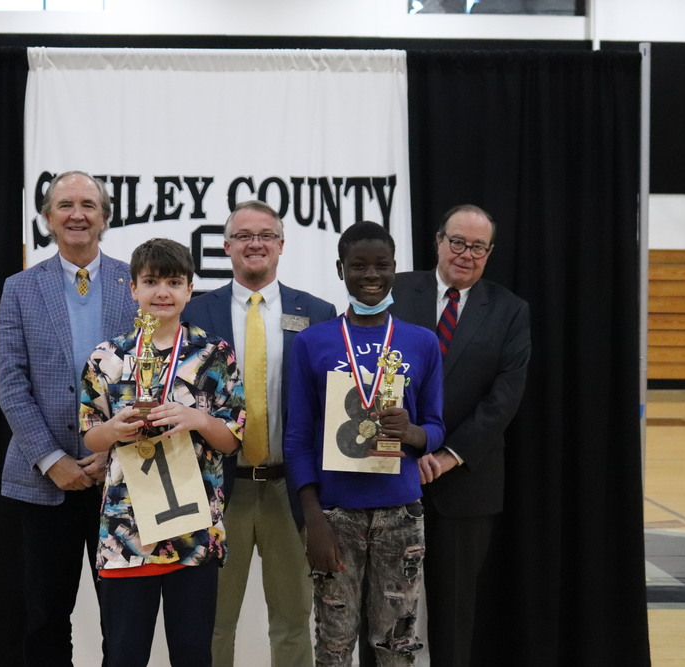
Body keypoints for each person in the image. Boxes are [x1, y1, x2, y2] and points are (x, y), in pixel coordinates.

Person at [284, 220, 445, 666]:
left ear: (396, 269)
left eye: (382, 265)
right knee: (334, 646)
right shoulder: (313, 342)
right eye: (359, 265)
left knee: (395, 646)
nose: (371, 275)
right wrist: (312, 517)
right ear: (341, 270)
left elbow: (436, 426)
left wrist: (414, 434)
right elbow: (297, 437)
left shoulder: (422, 342)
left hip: (401, 514)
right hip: (334, 515)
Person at [183, 200, 337, 666]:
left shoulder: (317, 311)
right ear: (227, 246)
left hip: (289, 490)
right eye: (244, 235)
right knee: (212, 623)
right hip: (215, 490)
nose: (256, 243)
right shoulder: (194, 311)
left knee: (293, 621)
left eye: (266, 235)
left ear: (282, 245)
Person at [79, 238, 245, 666]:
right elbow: (89, 435)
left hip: (193, 531)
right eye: (151, 281)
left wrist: (198, 420)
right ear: (133, 288)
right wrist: (114, 429)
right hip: (125, 530)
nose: (162, 292)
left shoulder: (214, 353)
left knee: (192, 654)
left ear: (191, 289)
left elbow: (232, 440)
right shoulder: (108, 356)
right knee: (123, 653)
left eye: (174, 281)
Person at [0, 171, 137, 665]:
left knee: (120, 619)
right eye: (65, 205)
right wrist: (52, 459)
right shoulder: (19, 289)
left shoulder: (134, 283)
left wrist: (108, 451)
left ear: (104, 216)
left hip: (120, 480)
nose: (77, 214)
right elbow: (11, 385)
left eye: (88, 205)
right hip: (43, 481)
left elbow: (148, 379)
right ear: (47, 218)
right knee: (44, 618)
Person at [388, 205, 531, 667]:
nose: (465, 254)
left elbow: (503, 400)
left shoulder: (510, 310)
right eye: (457, 242)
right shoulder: (392, 290)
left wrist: (448, 455)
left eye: (478, 247)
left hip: (464, 483)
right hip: (388, 474)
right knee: (383, 611)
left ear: (489, 252)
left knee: (453, 614)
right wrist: (407, 447)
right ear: (438, 241)